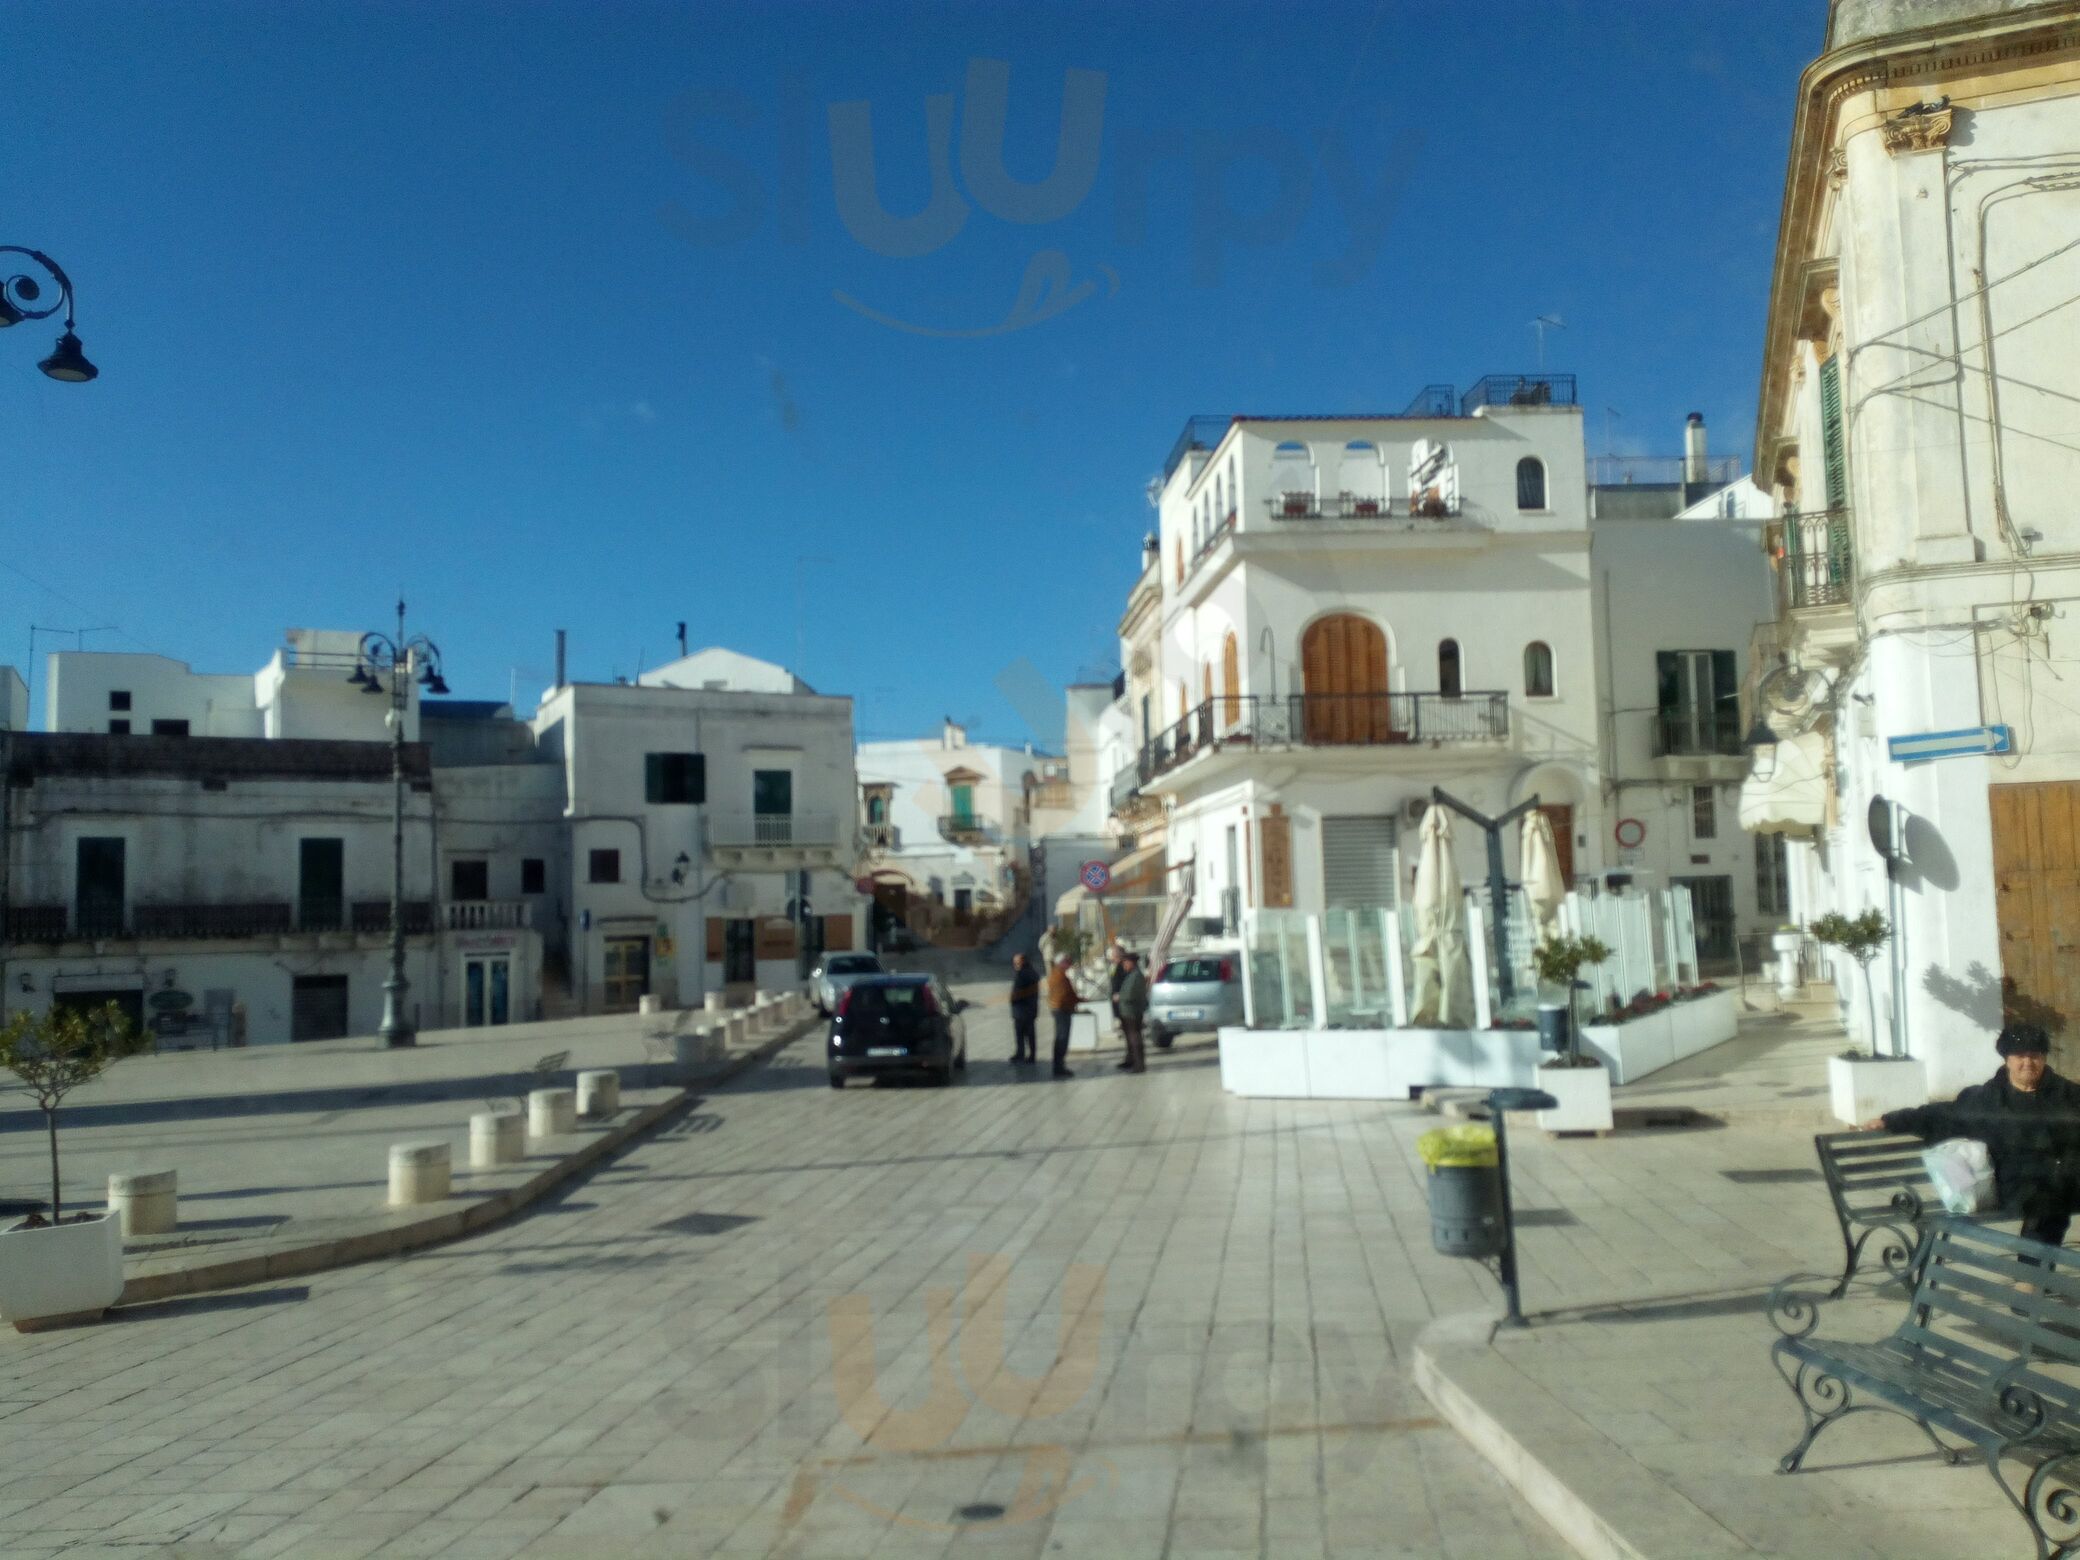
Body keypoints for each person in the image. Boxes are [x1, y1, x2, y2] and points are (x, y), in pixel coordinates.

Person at [1867, 1023, 2080, 1247]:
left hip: (2066, 1179)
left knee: (2055, 1193)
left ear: (2044, 1059)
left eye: (2034, 1056)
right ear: (2007, 1059)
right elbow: (1941, 1115)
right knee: (2048, 1200)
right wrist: (1891, 1120)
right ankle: (2032, 1267)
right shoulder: (1987, 1099)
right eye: (2020, 1056)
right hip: (2015, 1184)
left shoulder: (2068, 1095)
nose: (2028, 1063)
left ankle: (2036, 1265)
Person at [1045, 955, 1083, 1079]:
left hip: (1059, 1008)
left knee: (1061, 1037)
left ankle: (1059, 1065)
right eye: (1068, 962)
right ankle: (1059, 1067)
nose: (1070, 965)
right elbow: (1065, 995)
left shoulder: (1057, 974)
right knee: (1062, 1038)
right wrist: (1078, 1000)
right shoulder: (1059, 976)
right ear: (1061, 963)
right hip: (1062, 1009)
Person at [1115, 951, 1149, 1074]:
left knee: (1135, 1038)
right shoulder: (1132, 975)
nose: (1124, 965)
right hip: (1128, 1011)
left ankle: (1139, 1064)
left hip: (1132, 1012)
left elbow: (1130, 994)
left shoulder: (1136, 976)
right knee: (1132, 1038)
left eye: (1126, 962)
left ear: (1132, 963)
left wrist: (1119, 997)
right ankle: (1133, 1061)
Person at [1008, 952, 1042, 1064]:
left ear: (1022, 962)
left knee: (1021, 1034)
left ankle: (1021, 1054)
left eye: (1016, 963)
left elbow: (1018, 992)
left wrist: (1013, 999)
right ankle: (1031, 1054)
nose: (1015, 965)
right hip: (1030, 1009)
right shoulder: (1032, 973)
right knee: (1030, 1034)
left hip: (1021, 1009)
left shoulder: (1022, 974)